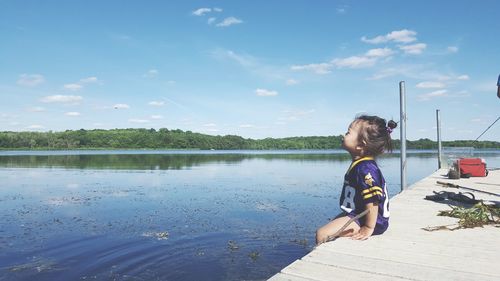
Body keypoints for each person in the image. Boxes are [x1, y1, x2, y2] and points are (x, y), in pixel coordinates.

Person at [316, 115, 397, 245]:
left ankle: (320, 258)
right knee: (332, 225)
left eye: (348, 132)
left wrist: (369, 227)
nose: (344, 134)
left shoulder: (365, 169)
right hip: (359, 214)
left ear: (360, 145)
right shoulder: (361, 164)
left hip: (370, 220)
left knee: (322, 233)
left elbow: (372, 200)